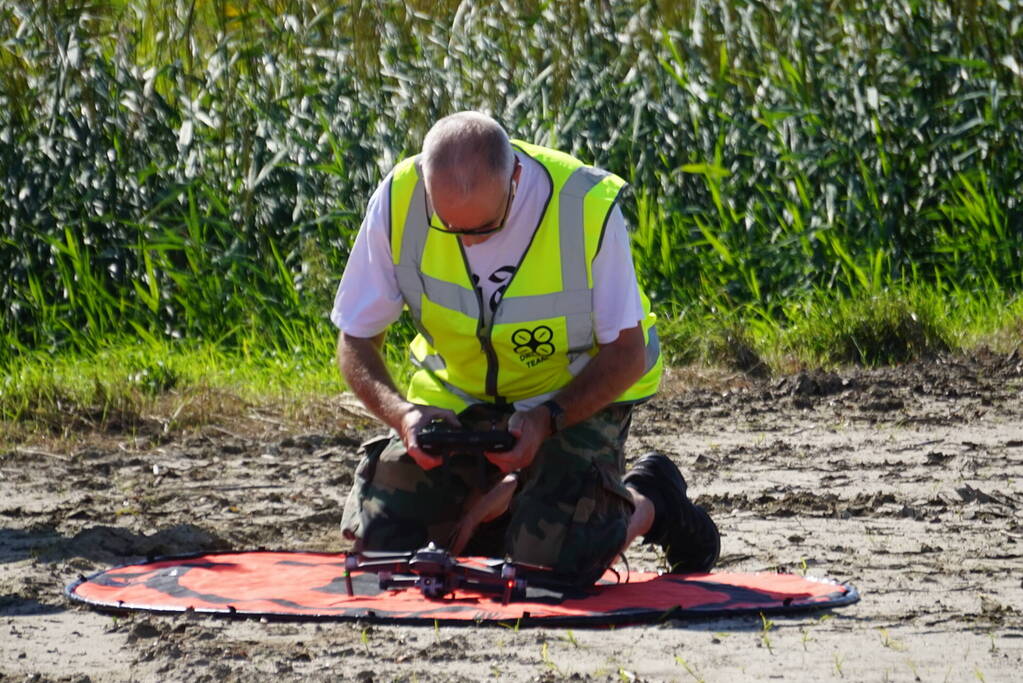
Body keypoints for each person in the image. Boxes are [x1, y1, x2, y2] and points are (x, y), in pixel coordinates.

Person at [332, 111, 719, 587]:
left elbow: (626, 353)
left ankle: (647, 501)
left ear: (515, 176)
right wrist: (403, 416)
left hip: (572, 399)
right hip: (457, 402)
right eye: (448, 225)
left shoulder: (586, 205)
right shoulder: (399, 198)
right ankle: (511, 506)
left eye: (486, 226)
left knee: (549, 569)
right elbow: (355, 337)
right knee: (387, 560)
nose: (468, 241)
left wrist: (546, 419)